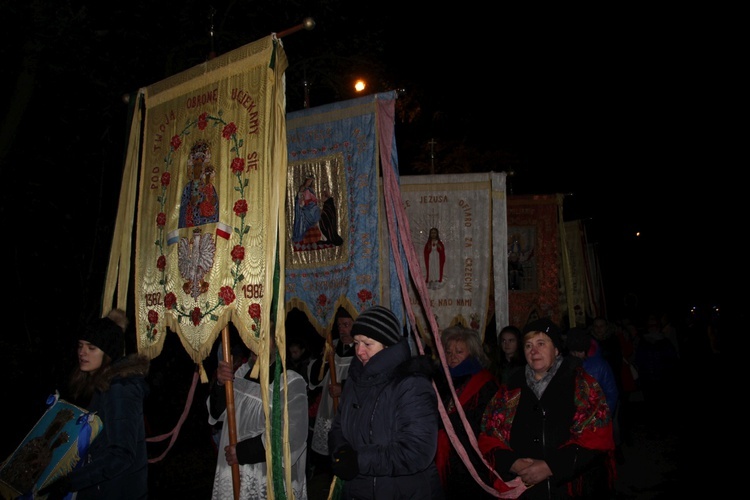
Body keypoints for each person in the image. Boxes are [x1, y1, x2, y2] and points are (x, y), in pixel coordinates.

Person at [480, 318, 615, 499]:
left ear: (557, 349)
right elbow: (489, 434)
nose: (534, 351)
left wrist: (552, 466)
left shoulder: (581, 385)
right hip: (526, 490)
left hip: (571, 488)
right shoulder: (510, 389)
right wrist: (512, 462)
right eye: (528, 345)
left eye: (541, 343)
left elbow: (597, 437)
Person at [328, 305, 444, 499]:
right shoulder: (356, 379)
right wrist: (341, 452)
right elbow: (338, 426)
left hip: (401, 491)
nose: (359, 351)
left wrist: (359, 461)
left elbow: (417, 450)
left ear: (387, 345)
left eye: (367, 344)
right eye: (356, 343)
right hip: (358, 489)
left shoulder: (411, 385)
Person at [38, 309, 151, 499]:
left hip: (117, 491)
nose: (82, 352)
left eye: (91, 348)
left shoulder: (120, 389)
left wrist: (71, 481)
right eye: (80, 346)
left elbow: (121, 454)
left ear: (108, 353)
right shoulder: (99, 385)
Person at [208, 333, 308, 499]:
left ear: (277, 342)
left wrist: (242, 452)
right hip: (234, 467)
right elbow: (217, 413)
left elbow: (291, 435)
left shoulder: (290, 382)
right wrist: (220, 384)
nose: (255, 343)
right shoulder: (241, 373)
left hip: (263, 472)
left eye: (262, 338)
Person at [435, 325, 501, 498]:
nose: (452, 357)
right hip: (446, 457)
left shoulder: (484, 383)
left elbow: (487, 423)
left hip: (473, 458)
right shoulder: (440, 379)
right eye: (448, 352)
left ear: (472, 353)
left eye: (459, 352)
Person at [307, 307, 356, 461]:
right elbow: (315, 380)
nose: (342, 330)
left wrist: (344, 388)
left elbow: (368, 381)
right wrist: (325, 361)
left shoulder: (363, 349)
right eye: (339, 326)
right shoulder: (331, 347)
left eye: (346, 325)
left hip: (351, 413)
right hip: (329, 411)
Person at [565, 327, 619, 417]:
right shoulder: (566, 364)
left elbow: (611, 394)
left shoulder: (600, 365)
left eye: (580, 351)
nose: (577, 355)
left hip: (596, 418)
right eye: (573, 351)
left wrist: (601, 417)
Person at [178, 139, 219, 228]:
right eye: (196, 165)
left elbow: (213, 206)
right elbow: (187, 205)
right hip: (191, 224)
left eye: (200, 166)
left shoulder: (208, 186)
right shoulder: (188, 187)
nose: (198, 169)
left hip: (205, 224)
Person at [292, 175, 323, 243]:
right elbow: (299, 198)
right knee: (313, 210)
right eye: (308, 181)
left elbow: (314, 199)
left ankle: (316, 230)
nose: (309, 182)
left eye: (310, 181)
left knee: (316, 209)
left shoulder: (311, 189)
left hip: (310, 205)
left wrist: (316, 201)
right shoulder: (303, 188)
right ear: (306, 181)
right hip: (305, 206)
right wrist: (302, 201)